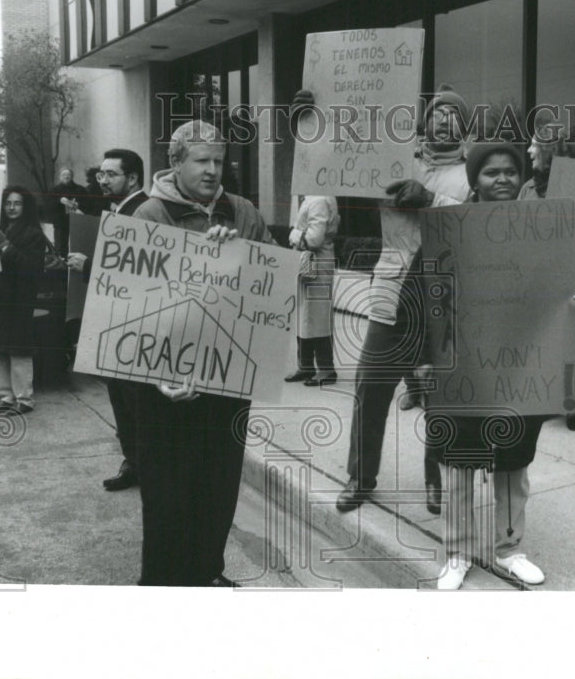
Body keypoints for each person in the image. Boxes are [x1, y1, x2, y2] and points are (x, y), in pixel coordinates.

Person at [420, 141, 575, 590]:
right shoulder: (449, 229)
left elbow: (559, 305)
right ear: (474, 181)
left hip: (519, 368)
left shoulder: (543, 232)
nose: (502, 180)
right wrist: (420, 362)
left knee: (512, 465)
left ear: (521, 178)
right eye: (490, 173)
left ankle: (509, 550)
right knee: (459, 462)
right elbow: (419, 297)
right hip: (462, 368)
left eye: (510, 172)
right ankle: (457, 554)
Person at [293, 84, 471, 515]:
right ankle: (360, 477)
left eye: (454, 114)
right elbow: (330, 162)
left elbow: (478, 225)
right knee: (369, 389)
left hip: (443, 300)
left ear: (464, 128)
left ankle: (436, 481)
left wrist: (431, 200)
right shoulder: (393, 158)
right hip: (391, 293)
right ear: (425, 119)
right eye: (437, 111)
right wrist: (307, 125)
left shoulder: (472, 173)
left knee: (439, 397)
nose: (443, 119)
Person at [129, 120, 276, 587]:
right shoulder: (149, 215)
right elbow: (128, 306)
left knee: (218, 488)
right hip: (169, 386)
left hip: (228, 379)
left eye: (219, 161)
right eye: (202, 161)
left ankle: (208, 572)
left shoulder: (244, 212)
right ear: (176, 163)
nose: (214, 170)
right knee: (169, 495)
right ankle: (163, 586)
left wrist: (242, 253)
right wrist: (155, 377)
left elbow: (273, 281)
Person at [67, 149, 148, 491]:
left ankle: (142, 466)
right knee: (121, 398)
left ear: (131, 178)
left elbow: (138, 269)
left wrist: (87, 266)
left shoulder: (144, 211)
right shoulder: (118, 210)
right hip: (116, 320)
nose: (102, 180)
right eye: (101, 174)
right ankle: (134, 462)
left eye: (110, 174)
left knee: (134, 401)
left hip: (136, 323)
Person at [517, 126, 575, 432]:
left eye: (534, 147)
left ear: (551, 150)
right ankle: (542, 396)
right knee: (540, 338)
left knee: (571, 339)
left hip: (572, 275)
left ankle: (572, 404)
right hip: (534, 276)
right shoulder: (528, 188)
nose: (529, 152)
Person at [0, 186, 49, 415]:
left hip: (18, 300)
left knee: (18, 350)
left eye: (18, 203)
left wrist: (4, 245)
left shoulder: (34, 234)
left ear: (26, 207)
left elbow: (31, 267)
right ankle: (6, 397)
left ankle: (25, 400)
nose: (12, 208)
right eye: (8, 203)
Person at [285, 195, 340, 386]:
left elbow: (314, 239)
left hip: (316, 262)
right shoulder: (316, 196)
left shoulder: (318, 199)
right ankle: (306, 365)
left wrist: (294, 234)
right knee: (305, 315)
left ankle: (326, 368)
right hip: (309, 262)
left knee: (317, 316)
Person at [52, 167, 88, 256]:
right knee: (60, 246)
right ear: (60, 177)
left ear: (72, 176)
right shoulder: (55, 190)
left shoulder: (80, 190)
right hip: (60, 222)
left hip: (76, 221)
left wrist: (78, 205)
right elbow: (49, 205)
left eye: (68, 175)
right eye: (64, 175)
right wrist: (60, 200)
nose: (66, 176)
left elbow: (88, 204)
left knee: (77, 246)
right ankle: (61, 262)